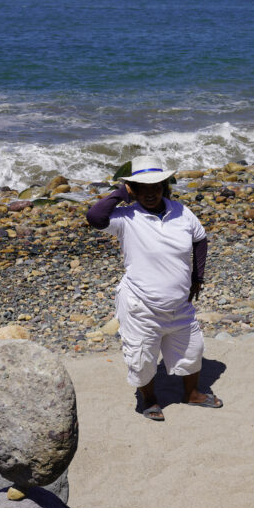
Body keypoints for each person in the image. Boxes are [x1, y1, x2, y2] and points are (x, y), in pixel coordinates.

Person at [86, 155, 222, 421]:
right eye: (143, 188)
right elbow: (94, 217)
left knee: (192, 352)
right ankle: (149, 399)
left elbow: (200, 239)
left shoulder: (181, 212)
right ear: (133, 190)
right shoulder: (125, 217)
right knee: (142, 359)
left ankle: (191, 393)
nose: (150, 193)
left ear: (164, 187)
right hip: (140, 305)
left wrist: (198, 277)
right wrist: (121, 193)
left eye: (156, 187)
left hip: (180, 304)